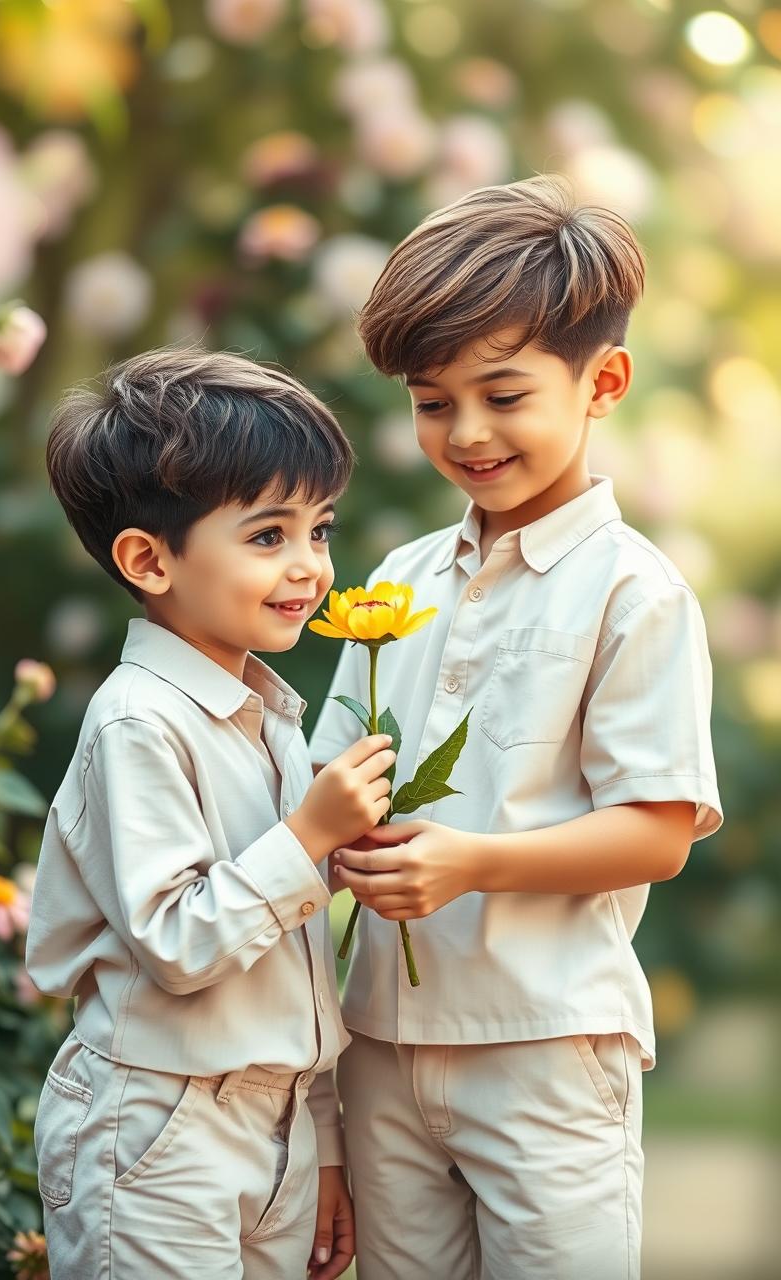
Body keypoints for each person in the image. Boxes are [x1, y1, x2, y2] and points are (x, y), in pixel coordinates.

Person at [310, 176, 723, 1280]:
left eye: (502, 392)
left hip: (544, 1046)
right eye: (432, 400)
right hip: (383, 1046)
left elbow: (658, 830)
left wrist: (475, 860)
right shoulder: (397, 582)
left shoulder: (633, 593)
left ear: (605, 382)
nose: (467, 431)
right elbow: (328, 786)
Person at [26, 347, 396, 1280]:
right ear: (149, 559)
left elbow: (290, 974)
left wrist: (325, 1146)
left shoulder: (266, 717)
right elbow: (179, 944)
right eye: (268, 537)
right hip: (156, 1129)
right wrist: (309, 836)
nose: (311, 567)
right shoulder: (137, 722)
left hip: (271, 1123)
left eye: (321, 530)